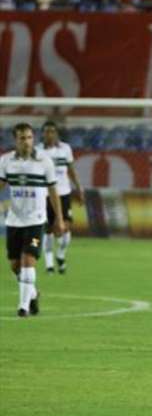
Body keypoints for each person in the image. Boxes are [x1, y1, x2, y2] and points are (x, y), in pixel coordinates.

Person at [0, 123, 64, 317]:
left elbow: (53, 192)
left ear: (33, 139)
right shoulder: (5, 161)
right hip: (14, 220)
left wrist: (59, 219)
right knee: (14, 264)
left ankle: (23, 307)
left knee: (28, 260)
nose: (26, 141)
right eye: (22, 138)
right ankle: (33, 294)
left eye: (29, 137)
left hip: (36, 220)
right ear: (15, 140)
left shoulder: (44, 162)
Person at [35, 121, 84, 274]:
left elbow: (71, 170)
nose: (49, 134)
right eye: (47, 131)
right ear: (42, 133)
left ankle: (61, 254)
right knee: (48, 230)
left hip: (64, 193)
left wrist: (79, 188)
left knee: (65, 227)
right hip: (45, 194)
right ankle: (49, 265)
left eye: (52, 131)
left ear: (56, 133)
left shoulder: (65, 149)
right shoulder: (37, 151)